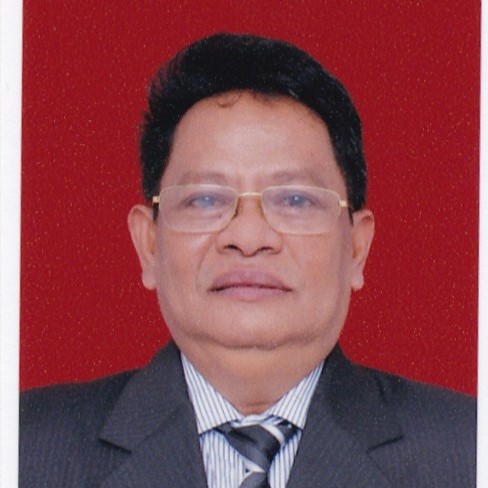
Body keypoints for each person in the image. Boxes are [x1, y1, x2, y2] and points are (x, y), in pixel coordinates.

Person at [20, 33, 476, 487]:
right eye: (205, 199)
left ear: (357, 247)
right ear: (149, 244)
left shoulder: (468, 452)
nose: (249, 237)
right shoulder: (24, 449)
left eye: (295, 200)